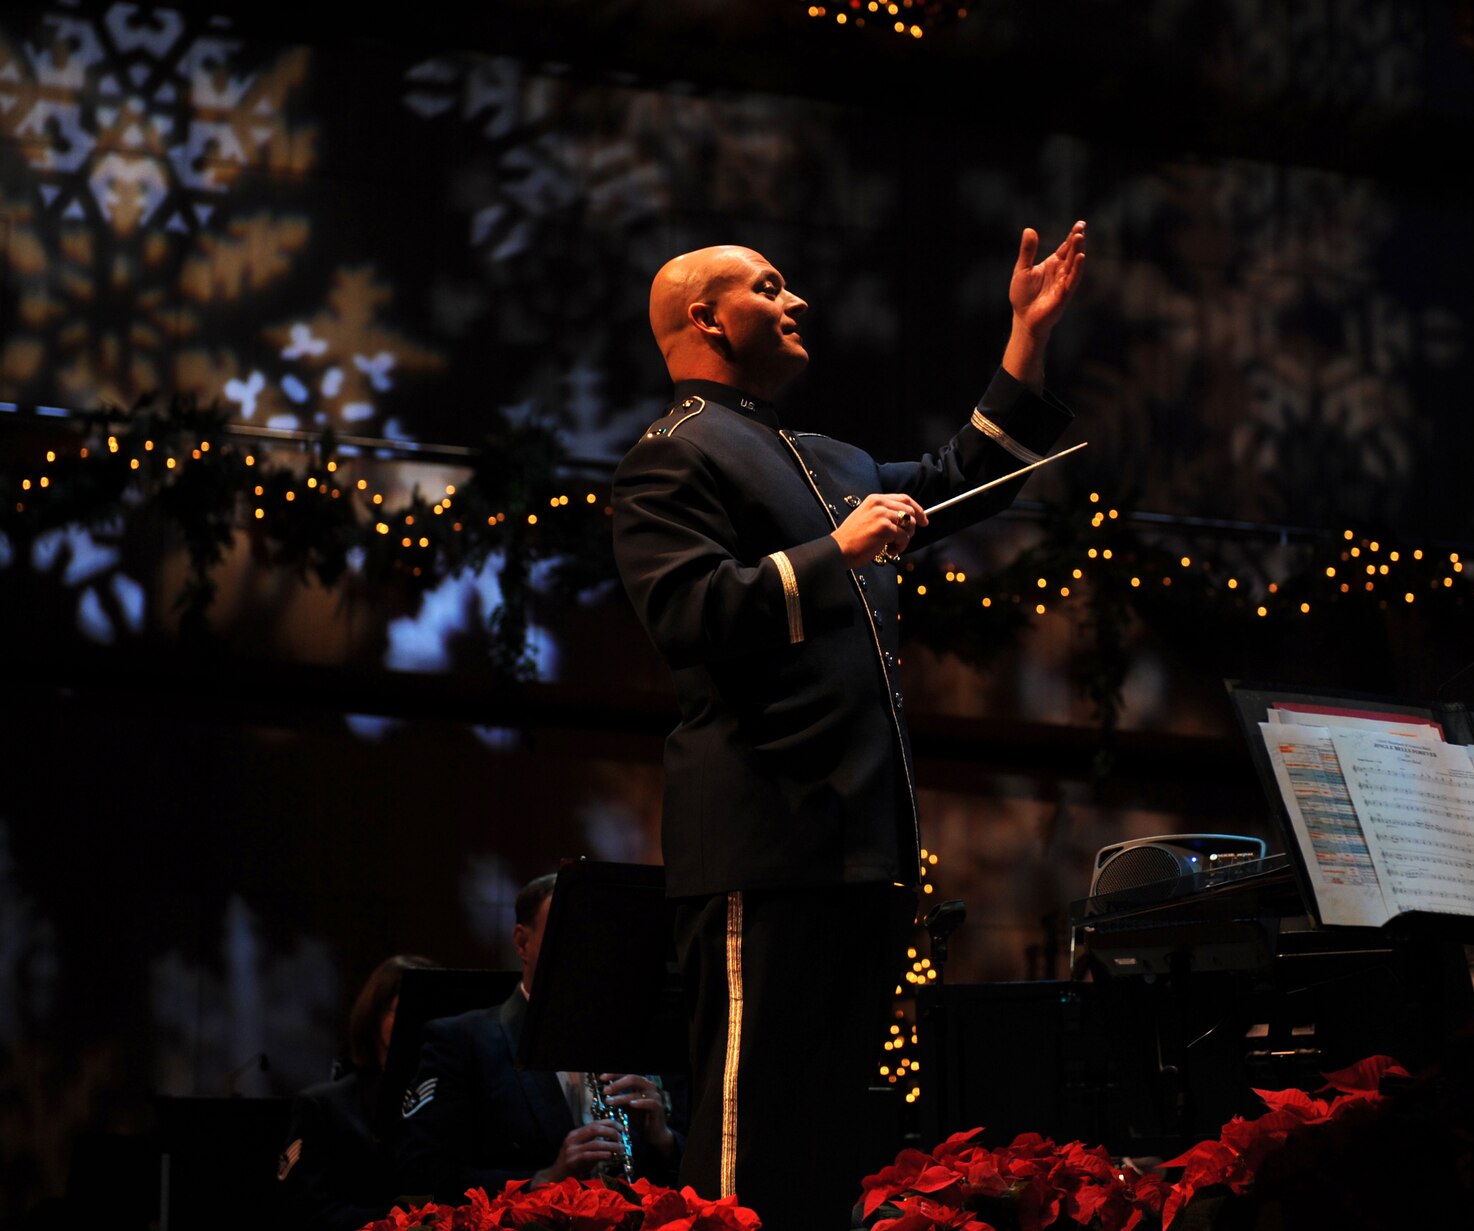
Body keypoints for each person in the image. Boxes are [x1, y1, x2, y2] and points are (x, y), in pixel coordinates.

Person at [611, 221, 1088, 1227]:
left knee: (830, 1134)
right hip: (764, 845)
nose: (795, 304)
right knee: (745, 1137)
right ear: (705, 317)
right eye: (769, 287)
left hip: (858, 852)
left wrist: (1024, 336)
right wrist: (837, 549)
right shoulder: (673, 454)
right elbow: (689, 614)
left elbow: (961, 478)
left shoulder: (824, 455)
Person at [396, 874, 682, 1200]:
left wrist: (666, 1141)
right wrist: (543, 1180)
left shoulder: (641, 1040)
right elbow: (421, 1174)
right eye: (567, 932)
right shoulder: (460, 1042)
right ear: (522, 943)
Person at [277, 953, 436, 1231]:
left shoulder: (452, 1102)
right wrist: (396, 1222)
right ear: (374, 1017)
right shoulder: (324, 1107)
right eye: (402, 1011)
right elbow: (305, 1210)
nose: (417, 1023)